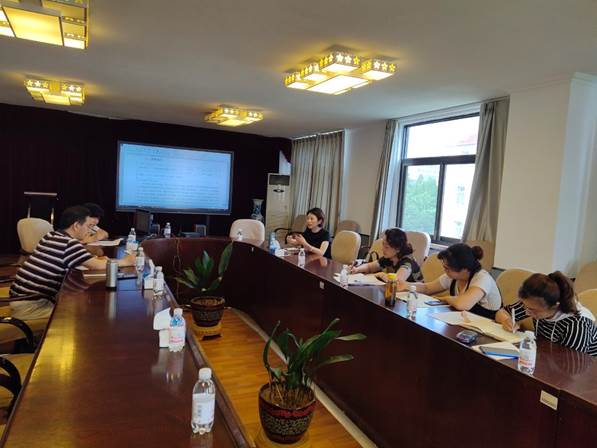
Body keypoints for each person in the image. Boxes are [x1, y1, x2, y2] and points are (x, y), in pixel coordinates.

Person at [9, 205, 135, 320]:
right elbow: (98, 265)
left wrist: (95, 260)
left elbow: (82, 260)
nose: (90, 231)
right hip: (31, 306)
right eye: (88, 226)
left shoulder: (50, 236)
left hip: (19, 297)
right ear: (76, 226)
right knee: (83, 316)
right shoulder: (69, 244)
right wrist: (126, 261)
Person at [495, 272, 597, 356]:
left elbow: (571, 365)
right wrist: (506, 320)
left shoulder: (578, 325)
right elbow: (501, 312)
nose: (526, 311)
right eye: (524, 306)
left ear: (555, 306)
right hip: (547, 357)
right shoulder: (533, 303)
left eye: (533, 310)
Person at [396, 243, 501, 318]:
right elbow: (427, 288)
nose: (445, 271)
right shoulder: (453, 277)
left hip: (489, 329)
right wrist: (406, 285)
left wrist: (445, 299)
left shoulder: (482, 278)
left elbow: (462, 304)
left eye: (448, 268)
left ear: (464, 269)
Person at [351, 228, 422, 282]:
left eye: (387, 247)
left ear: (398, 248)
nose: (382, 249)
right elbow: (369, 267)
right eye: (383, 244)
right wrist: (356, 269)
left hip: (415, 295)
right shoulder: (390, 258)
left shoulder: (407, 262)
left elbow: (396, 282)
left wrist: (380, 274)